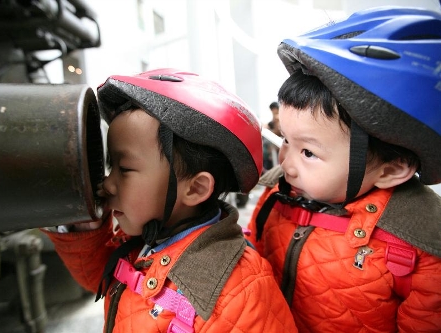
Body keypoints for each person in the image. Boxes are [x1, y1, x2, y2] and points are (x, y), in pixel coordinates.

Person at [43, 68, 297, 332]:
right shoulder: (143, 240)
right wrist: (86, 232)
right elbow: (99, 278)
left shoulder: (240, 292)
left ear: (196, 189)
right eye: (110, 166)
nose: (107, 183)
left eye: (125, 169)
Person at [246, 7, 441, 333]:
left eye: (308, 151)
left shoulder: (419, 250)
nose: (285, 164)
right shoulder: (277, 196)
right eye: (284, 140)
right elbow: (253, 251)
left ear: (392, 169)